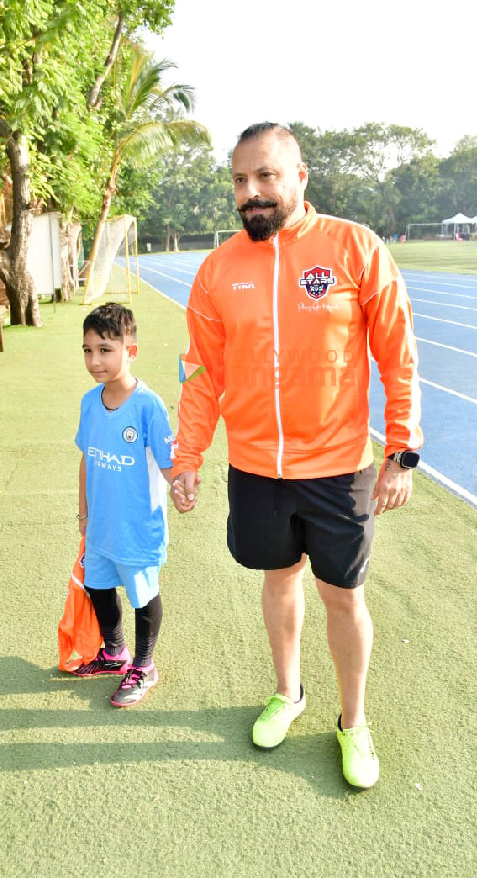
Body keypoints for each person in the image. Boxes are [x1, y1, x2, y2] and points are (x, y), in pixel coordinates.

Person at [170, 122, 422, 788]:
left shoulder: (352, 248)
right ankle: (288, 693)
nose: (250, 192)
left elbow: (396, 352)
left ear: (299, 177)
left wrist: (400, 448)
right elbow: (200, 371)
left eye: (265, 177)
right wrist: (187, 454)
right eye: (239, 180)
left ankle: (353, 722)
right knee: (277, 579)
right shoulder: (218, 268)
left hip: (339, 469)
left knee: (342, 597)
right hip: (256, 469)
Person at [74, 303, 175, 707]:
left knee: (141, 594)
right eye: (87, 350)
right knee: (98, 587)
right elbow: (86, 456)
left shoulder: (148, 405)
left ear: (130, 351)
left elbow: (169, 465)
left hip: (137, 527)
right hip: (100, 524)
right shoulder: (88, 401)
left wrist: (181, 486)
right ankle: (115, 652)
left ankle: (145, 665)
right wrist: (83, 513)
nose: (95, 360)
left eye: (105, 349)